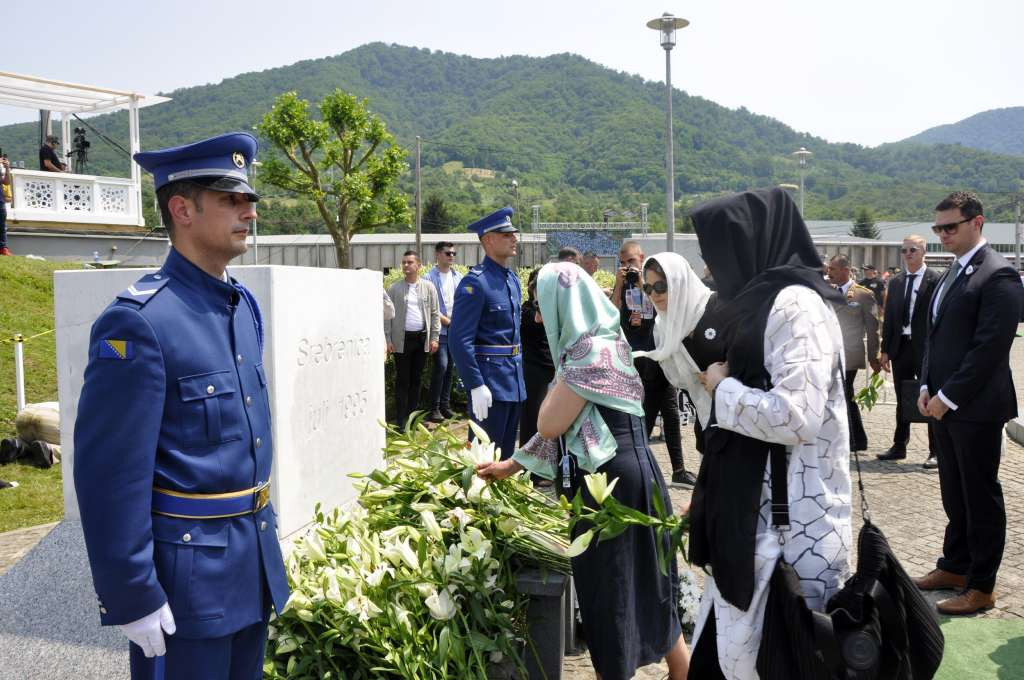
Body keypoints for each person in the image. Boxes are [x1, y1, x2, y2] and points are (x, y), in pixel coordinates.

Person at [74, 132, 289, 680]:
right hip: (186, 588)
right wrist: (131, 593)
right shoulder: (139, 323)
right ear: (181, 210)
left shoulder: (241, 306)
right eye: (230, 199)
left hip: (251, 566)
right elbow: (110, 475)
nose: (249, 211)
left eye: (249, 199)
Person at [476, 261, 690, 680]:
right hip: (637, 475)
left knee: (610, 595)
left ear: (566, 306)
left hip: (607, 487)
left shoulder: (586, 354)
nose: (540, 319)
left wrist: (556, 381)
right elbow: (569, 426)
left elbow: (549, 425)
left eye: (544, 307)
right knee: (653, 586)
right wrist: (512, 466)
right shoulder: (612, 341)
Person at [687, 187, 851, 679]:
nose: (712, 267)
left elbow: (796, 416)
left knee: (783, 661)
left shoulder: (795, 306)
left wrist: (722, 387)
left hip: (791, 533)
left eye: (718, 253)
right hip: (757, 526)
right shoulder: (763, 304)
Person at [914, 191, 1023, 616]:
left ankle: (981, 585)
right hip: (942, 404)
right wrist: (926, 385)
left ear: (978, 222)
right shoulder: (950, 272)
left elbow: (989, 348)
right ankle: (955, 566)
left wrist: (948, 396)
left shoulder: (999, 275)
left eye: (950, 227)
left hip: (976, 408)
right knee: (954, 493)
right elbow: (934, 337)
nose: (942, 234)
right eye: (937, 228)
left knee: (980, 496)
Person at [612, 240, 693, 486]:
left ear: (641, 257)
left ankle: (676, 470)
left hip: (658, 352)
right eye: (623, 262)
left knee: (668, 412)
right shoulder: (623, 283)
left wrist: (641, 284)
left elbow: (665, 310)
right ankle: (643, 468)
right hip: (635, 357)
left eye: (631, 261)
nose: (628, 266)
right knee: (646, 413)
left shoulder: (652, 281)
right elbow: (611, 312)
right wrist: (619, 284)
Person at [449, 207, 525, 460]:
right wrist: (475, 384)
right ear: (489, 240)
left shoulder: (512, 280)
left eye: (513, 234)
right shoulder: (475, 283)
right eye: (506, 235)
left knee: (505, 457)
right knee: (484, 460)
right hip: (489, 383)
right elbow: (460, 340)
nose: (514, 238)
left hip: (513, 381)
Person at [632, 252, 726, 456]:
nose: (654, 294)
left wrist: (726, 372)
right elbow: (653, 389)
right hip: (708, 429)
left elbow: (752, 354)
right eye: (648, 288)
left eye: (661, 286)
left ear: (679, 282)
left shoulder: (718, 307)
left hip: (745, 422)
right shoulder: (663, 329)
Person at [877, 235, 940, 466]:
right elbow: (890, 318)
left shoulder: (936, 279)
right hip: (901, 346)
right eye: (904, 250)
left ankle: (935, 450)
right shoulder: (896, 282)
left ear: (924, 251)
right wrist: (885, 349)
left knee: (931, 395)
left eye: (912, 250)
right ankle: (899, 445)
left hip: (926, 348)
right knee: (902, 397)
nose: (908, 254)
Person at [827, 253, 881, 452]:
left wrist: (874, 357)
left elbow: (872, 328)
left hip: (850, 354)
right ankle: (853, 437)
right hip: (830, 354)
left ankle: (857, 439)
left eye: (832, 269)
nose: (829, 272)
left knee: (846, 393)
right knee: (841, 394)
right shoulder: (827, 292)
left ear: (846, 270)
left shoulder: (862, 294)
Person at [384, 250, 440, 427]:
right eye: (404, 262)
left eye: (409, 262)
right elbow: (386, 317)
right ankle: (401, 421)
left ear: (419, 265)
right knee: (402, 380)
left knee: (416, 380)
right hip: (402, 341)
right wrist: (388, 340)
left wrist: (434, 338)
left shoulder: (429, 287)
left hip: (421, 339)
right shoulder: (394, 289)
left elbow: (435, 313)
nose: (406, 265)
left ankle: (413, 419)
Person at [424, 241, 462, 422]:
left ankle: (445, 407)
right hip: (439, 331)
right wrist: (448, 322)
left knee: (450, 369)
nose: (451, 256)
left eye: (454, 253)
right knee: (441, 366)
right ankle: (433, 408)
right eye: (448, 253)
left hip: (455, 330)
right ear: (438, 254)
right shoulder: (429, 278)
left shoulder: (458, 277)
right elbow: (430, 306)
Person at [518, 268, 554, 448]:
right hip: (535, 371)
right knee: (532, 418)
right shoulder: (526, 310)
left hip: (553, 369)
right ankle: (527, 457)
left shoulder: (553, 307)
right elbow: (539, 319)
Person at [0, 154, 10, 255]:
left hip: (0, 200)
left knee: (2, 226)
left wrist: (7, 168)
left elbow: (6, 182)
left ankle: (4, 248)